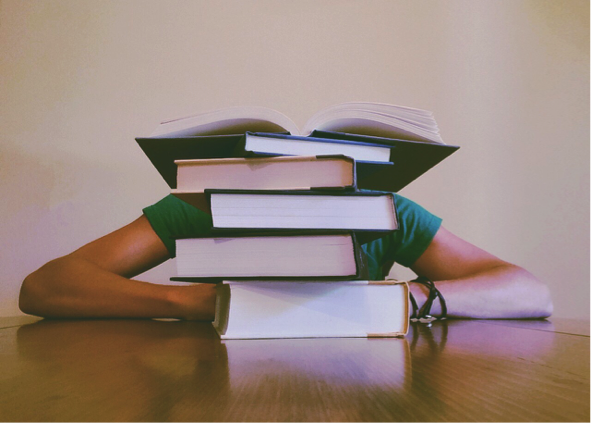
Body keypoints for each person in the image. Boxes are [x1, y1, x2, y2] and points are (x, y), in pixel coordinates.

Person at [19, 193, 553, 320]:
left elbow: (530, 290)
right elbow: (44, 286)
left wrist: (409, 298)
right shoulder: (202, 205)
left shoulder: (383, 212)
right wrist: (199, 302)